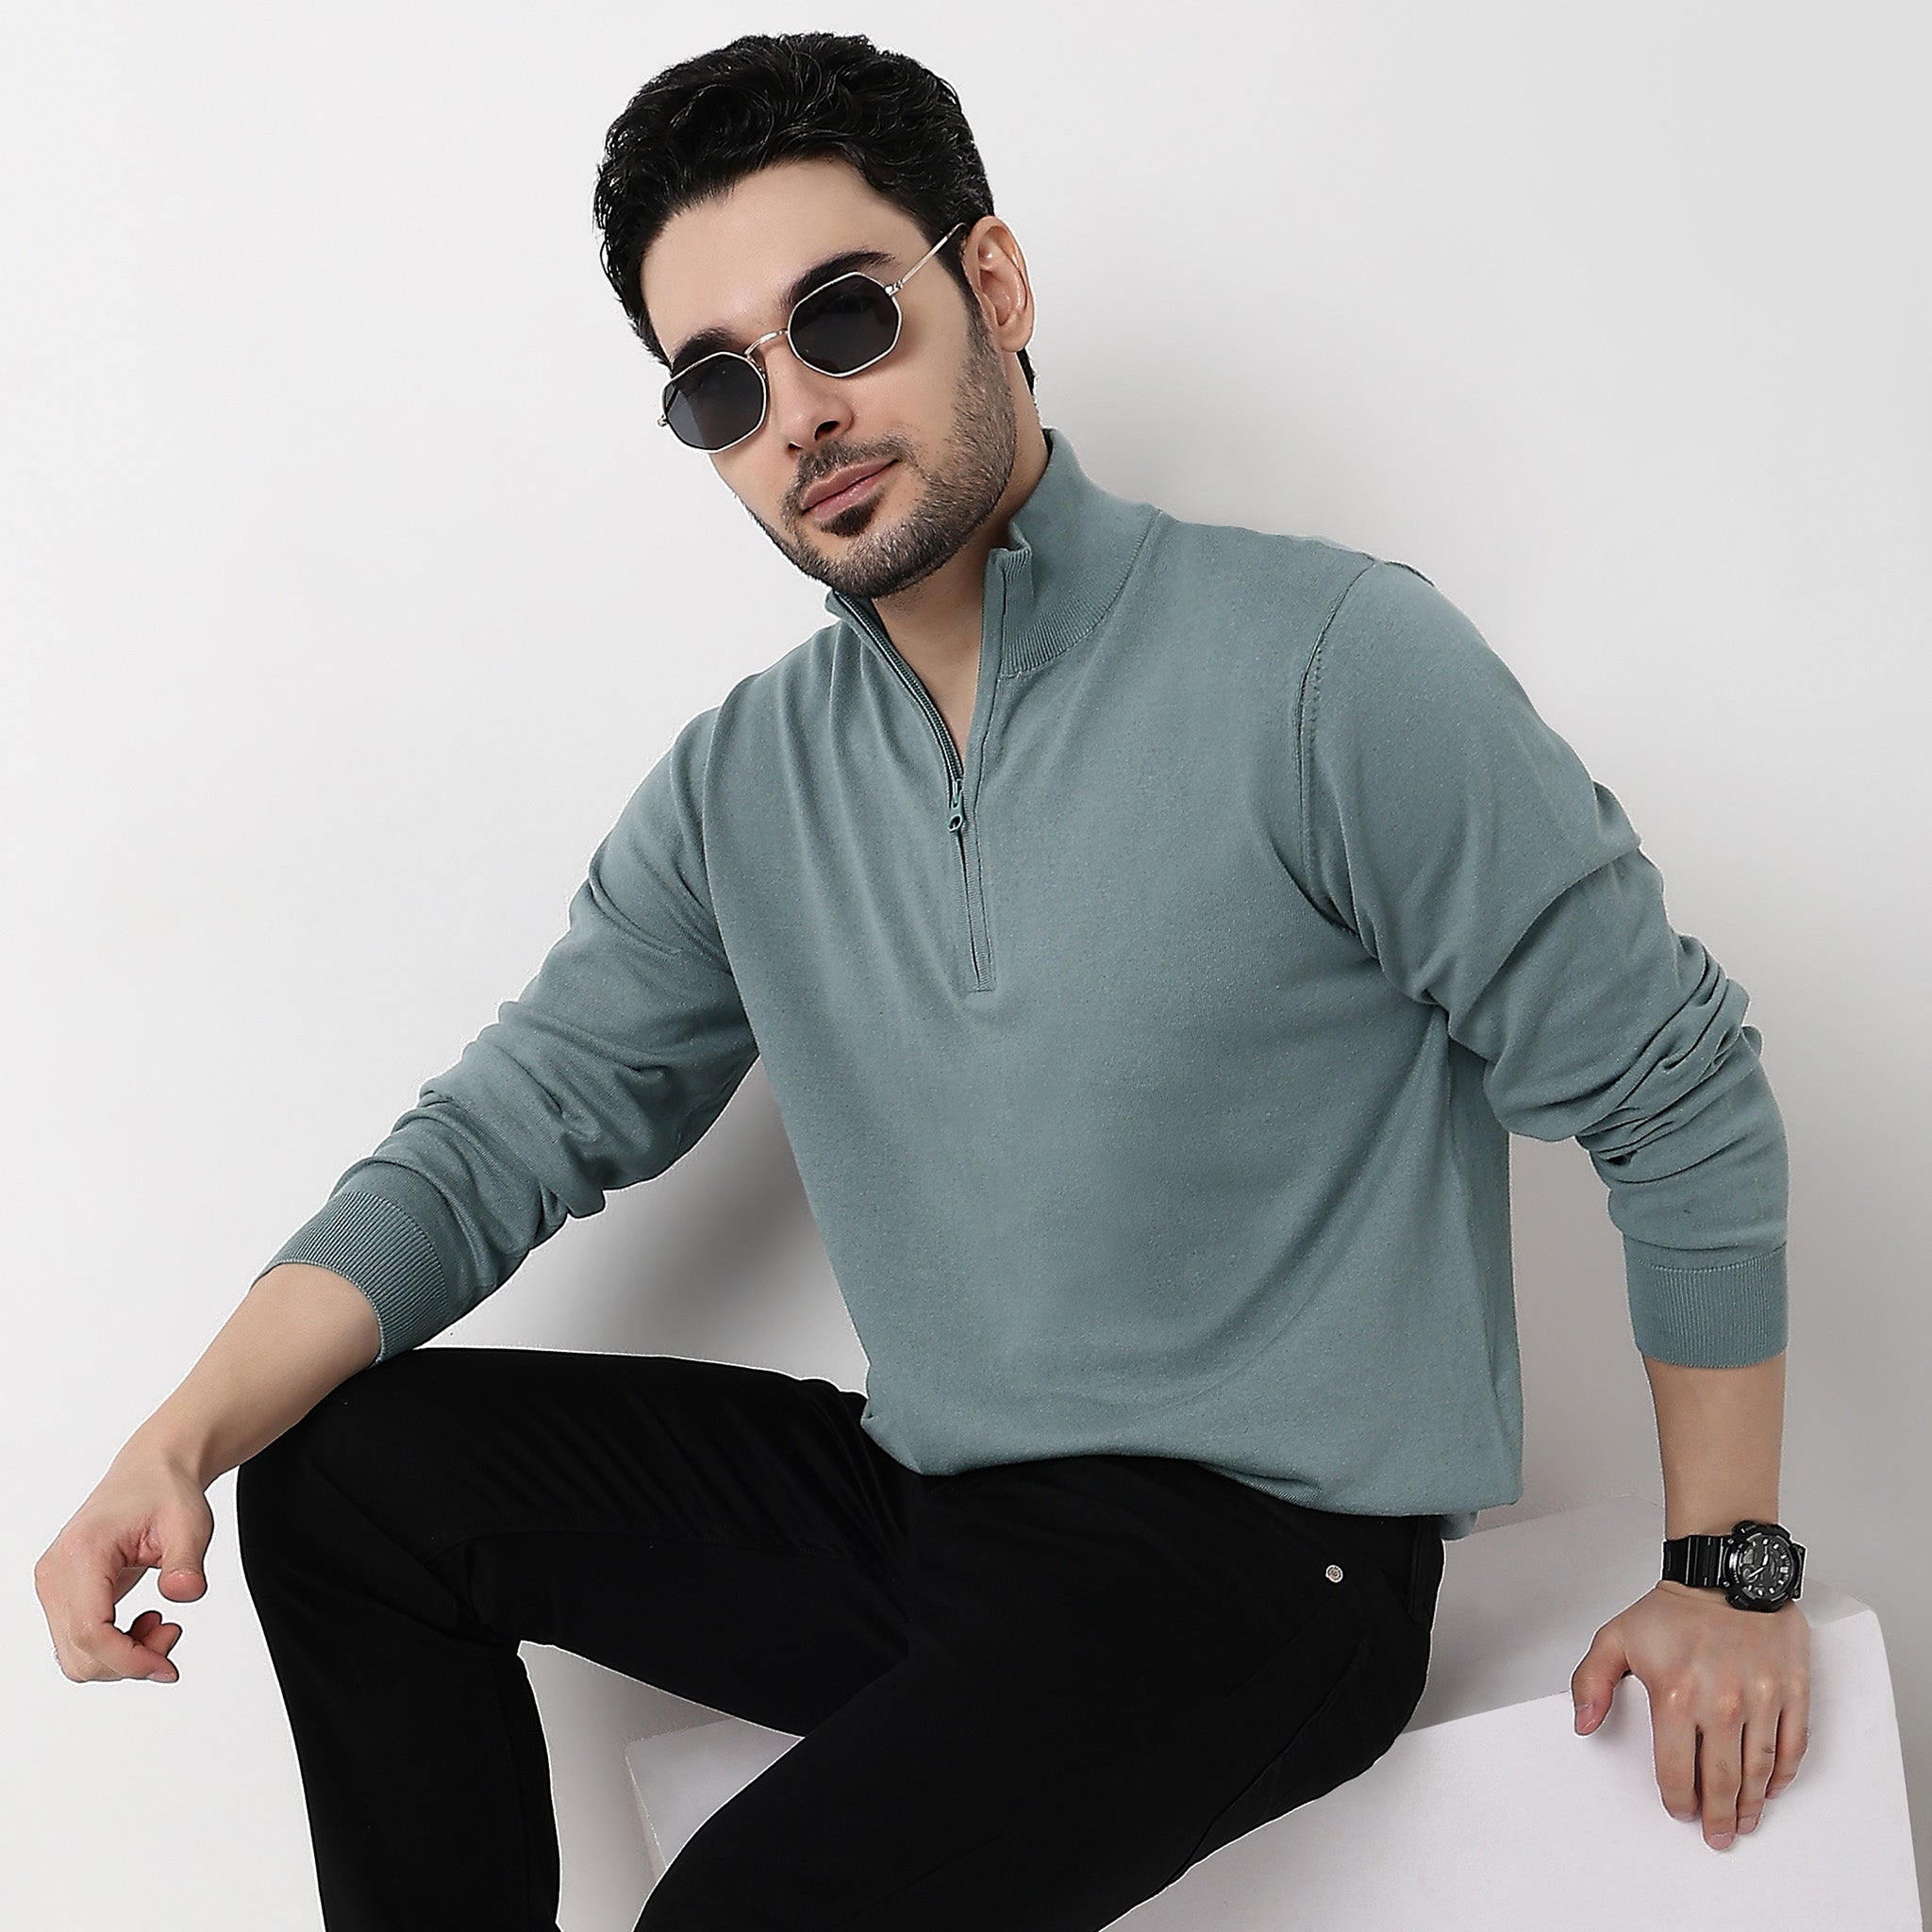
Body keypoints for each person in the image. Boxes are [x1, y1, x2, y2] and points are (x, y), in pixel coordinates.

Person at [35, 28, 1811, 1932]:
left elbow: (1675, 1088)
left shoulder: (1327, 665)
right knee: (346, 1476)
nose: (797, 412)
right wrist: (173, 1438)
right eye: (722, 384)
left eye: (843, 318)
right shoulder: (741, 785)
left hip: (1263, 1569)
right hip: (931, 1509)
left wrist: (1727, 1570)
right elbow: (496, 1139)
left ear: (994, 286)